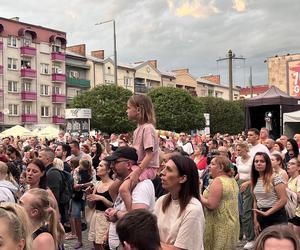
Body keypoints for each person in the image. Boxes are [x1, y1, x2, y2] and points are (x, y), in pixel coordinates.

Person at [104, 147, 155, 250]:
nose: (112, 166)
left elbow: (138, 218)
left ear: (128, 164)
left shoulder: (143, 185)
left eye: (115, 162)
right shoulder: (125, 183)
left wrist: (116, 213)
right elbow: (121, 207)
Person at [155, 155, 204, 250]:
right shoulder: (161, 201)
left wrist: (146, 242)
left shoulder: (193, 209)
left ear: (182, 178)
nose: (162, 173)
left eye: (168, 170)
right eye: (163, 168)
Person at [119, 94, 159, 211]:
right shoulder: (138, 129)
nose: (127, 111)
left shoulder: (148, 128)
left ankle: (131, 216)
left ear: (138, 110)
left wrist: (137, 172)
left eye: (128, 108)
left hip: (147, 168)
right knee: (114, 187)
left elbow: (149, 154)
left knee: (123, 189)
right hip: (139, 166)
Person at [200, 155, 239, 250]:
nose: (209, 166)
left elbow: (211, 204)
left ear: (221, 167)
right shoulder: (232, 179)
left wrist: (198, 193)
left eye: (213, 164)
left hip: (219, 226)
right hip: (231, 223)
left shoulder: (218, 181)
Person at [252, 152, 288, 235]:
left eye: (262, 161)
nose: (259, 163)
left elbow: (283, 200)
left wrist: (267, 212)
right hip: (261, 215)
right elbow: (255, 200)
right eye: (256, 161)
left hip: (276, 215)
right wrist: (255, 219)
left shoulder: (276, 177)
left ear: (267, 163)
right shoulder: (255, 179)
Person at [87, 159, 113, 250]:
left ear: (108, 170)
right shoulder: (98, 184)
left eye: (101, 166)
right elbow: (91, 206)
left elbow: (114, 206)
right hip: (96, 216)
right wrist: (88, 195)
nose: (97, 167)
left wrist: (101, 198)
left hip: (106, 218)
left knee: (104, 245)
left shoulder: (113, 185)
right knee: (95, 243)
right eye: (98, 165)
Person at [69, 157, 95, 249]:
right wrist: (85, 185)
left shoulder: (92, 170)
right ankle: (79, 240)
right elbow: (75, 185)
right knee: (76, 216)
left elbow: (94, 182)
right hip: (77, 196)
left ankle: (94, 242)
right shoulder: (76, 171)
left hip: (88, 195)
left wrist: (82, 185)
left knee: (90, 218)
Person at [235, 142, 255, 249]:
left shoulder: (252, 160)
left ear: (245, 149)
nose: (237, 152)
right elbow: (239, 173)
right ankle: (242, 234)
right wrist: (233, 181)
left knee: (246, 212)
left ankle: (250, 238)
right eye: (237, 150)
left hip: (249, 185)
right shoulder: (238, 160)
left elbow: (255, 176)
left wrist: (248, 183)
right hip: (240, 184)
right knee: (239, 211)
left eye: (239, 150)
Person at [286, 158, 300, 235]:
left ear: (298, 167)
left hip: (298, 214)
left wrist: (288, 192)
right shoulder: (290, 179)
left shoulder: (299, 179)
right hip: (291, 213)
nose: (289, 165)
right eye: (288, 163)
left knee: (297, 241)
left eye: (292, 164)